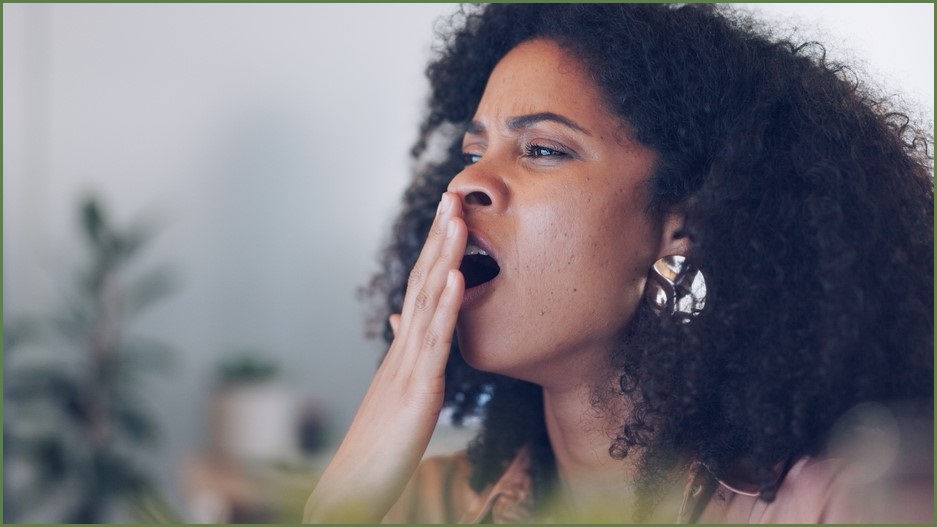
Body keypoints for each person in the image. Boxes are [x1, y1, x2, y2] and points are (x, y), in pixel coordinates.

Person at [304, 4, 934, 523]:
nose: (468, 182)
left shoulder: (834, 505)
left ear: (679, 228)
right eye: (473, 151)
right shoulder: (413, 507)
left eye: (543, 148)